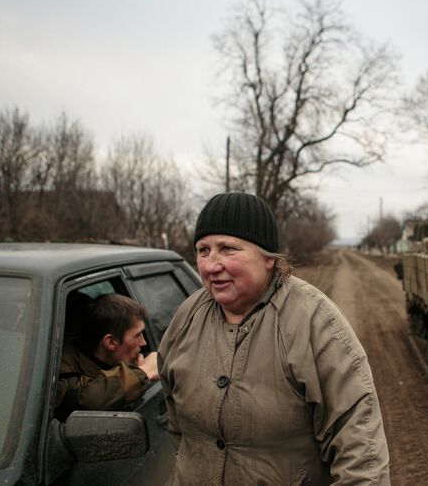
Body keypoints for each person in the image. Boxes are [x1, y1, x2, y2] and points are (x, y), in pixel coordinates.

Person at [157, 192, 390, 486]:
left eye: (228, 249)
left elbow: (360, 446)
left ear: (268, 258)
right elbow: (177, 425)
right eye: (203, 250)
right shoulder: (187, 317)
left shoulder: (314, 322)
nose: (211, 265)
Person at [54, 293, 158, 422]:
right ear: (110, 342)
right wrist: (143, 372)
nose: (143, 342)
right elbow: (85, 402)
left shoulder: (111, 359)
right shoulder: (61, 368)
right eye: (137, 335)